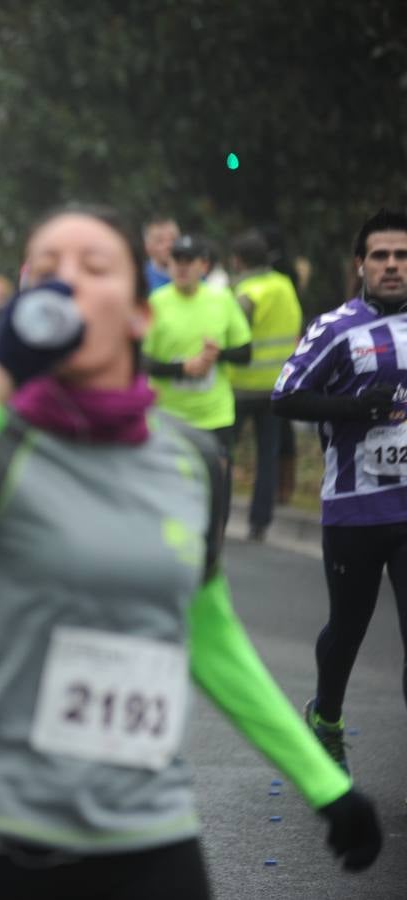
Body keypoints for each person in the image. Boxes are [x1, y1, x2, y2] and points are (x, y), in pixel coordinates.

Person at [0, 206, 383, 899]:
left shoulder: (190, 462)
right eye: (45, 271)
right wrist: (1, 372)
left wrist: (325, 784)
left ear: (137, 316)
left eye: (92, 268)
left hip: (148, 839)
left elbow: (211, 640)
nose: (65, 286)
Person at [270, 208, 407, 774]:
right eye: (381, 255)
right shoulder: (335, 329)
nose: (393, 265)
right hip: (353, 510)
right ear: (360, 265)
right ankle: (325, 715)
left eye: (402, 255)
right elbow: (285, 396)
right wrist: (354, 407)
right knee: (347, 630)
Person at [141, 235, 252, 453]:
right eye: (176, 261)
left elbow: (245, 354)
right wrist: (182, 368)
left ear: (203, 265)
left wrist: (217, 355)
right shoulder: (155, 303)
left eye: (188, 261)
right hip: (167, 419)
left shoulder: (222, 299)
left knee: (218, 487)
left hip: (215, 418)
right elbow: (141, 362)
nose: (181, 268)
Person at [227, 230, 303, 541]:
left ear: (237, 260)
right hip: (276, 386)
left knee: (223, 453)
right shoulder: (284, 286)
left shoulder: (245, 292)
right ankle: (260, 523)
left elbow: (228, 331)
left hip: (240, 386)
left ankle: (218, 513)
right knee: (267, 455)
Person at [144, 215, 180, 292]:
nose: (169, 245)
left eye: (173, 239)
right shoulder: (141, 280)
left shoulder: (196, 277)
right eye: (160, 241)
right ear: (147, 247)